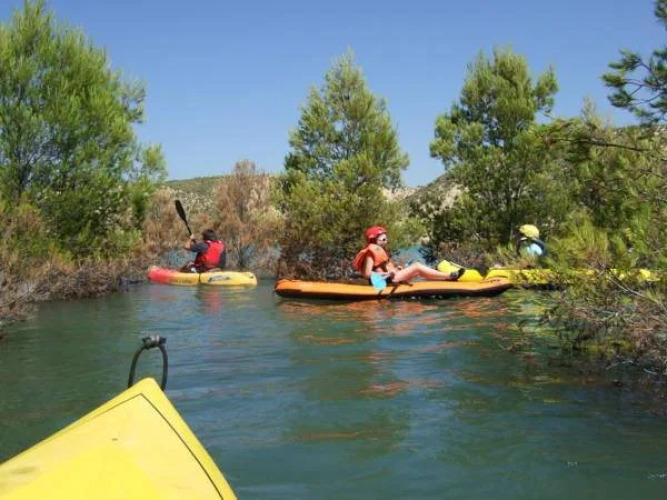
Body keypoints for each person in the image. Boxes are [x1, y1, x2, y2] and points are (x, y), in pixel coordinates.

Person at [353, 225, 464, 285]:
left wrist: (395, 269)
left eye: (386, 238)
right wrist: (387, 274)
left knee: (417, 271)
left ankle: (444, 278)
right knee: (417, 266)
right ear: (373, 240)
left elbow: (384, 266)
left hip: (391, 278)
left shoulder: (378, 250)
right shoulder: (370, 253)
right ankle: (449, 276)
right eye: (383, 239)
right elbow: (367, 274)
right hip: (384, 280)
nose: (386, 241)